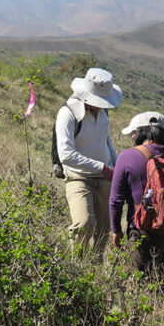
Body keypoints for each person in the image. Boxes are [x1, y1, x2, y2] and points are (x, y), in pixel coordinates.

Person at [109, 111, 164, 284]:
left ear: (141, 132)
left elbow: (116, 200)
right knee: (163, 281)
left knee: (142, 284)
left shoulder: (127, 156)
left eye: (134, 132)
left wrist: (116, 230)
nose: (133, 136)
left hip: (141, 229)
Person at [55, 68, 122, 257]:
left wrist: (115, 167)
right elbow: (66, 155)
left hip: (105, 179)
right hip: (78, 177)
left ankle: (95, 265)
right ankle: (77, 264)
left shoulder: (103, 114)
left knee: (104, 229)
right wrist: (102, 167)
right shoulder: (68, 114)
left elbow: (106, 141)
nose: (101, 105)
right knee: (83, 224)